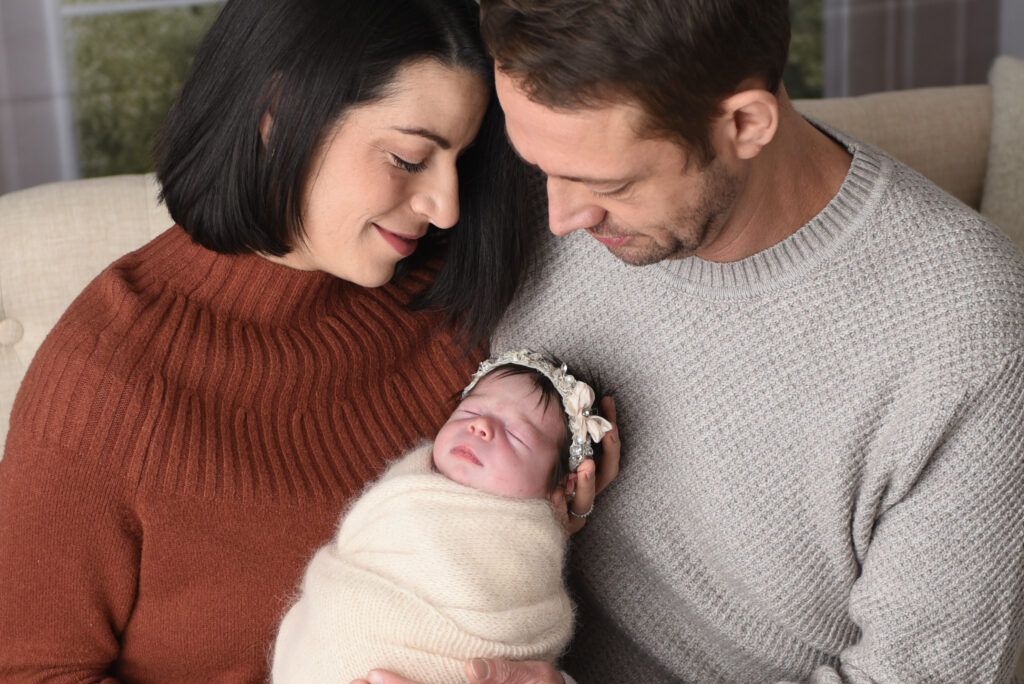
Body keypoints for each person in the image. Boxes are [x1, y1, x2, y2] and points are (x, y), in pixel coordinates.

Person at [367, 1, 1024, 682]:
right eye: (537, 165)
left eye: (609, 184)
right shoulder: (545, 144)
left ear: (745, 123)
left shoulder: (966, 338)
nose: (559, 218)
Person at [0, 0, 549, 679]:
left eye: (459, 161)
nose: (446, 206)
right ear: (279, 113)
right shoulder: (107, 385)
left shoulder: (443, 293)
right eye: (409, 157)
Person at [272, 350, 614, 683]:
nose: (480, 426)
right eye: (469, 412)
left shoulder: (523, 551)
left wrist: (552, 524)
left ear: (561, 486)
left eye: (516, 434)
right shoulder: (406, 486)